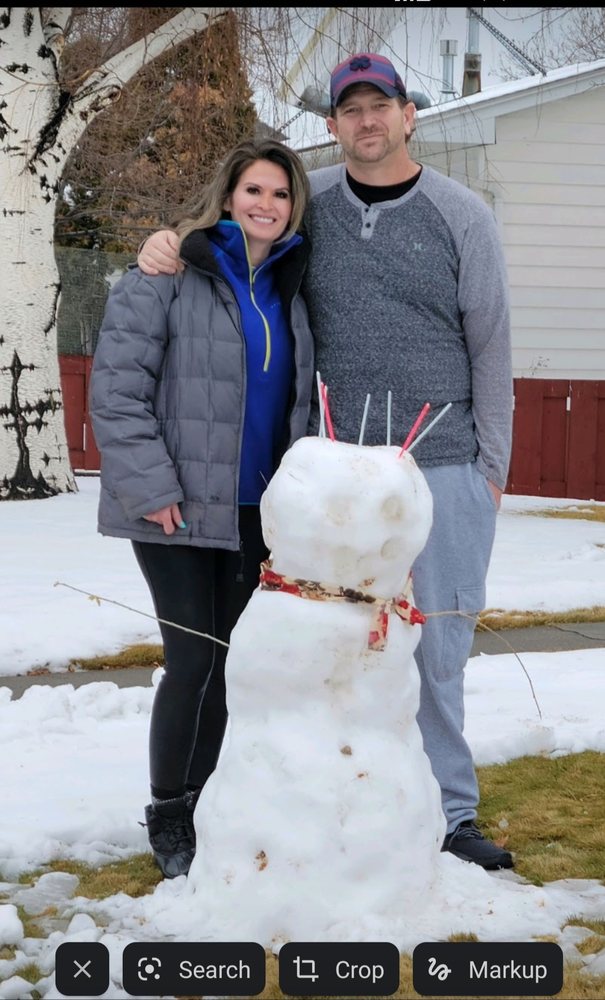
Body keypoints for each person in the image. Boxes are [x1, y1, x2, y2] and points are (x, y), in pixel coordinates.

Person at [137, 54, 514, 871]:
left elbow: (490, 344)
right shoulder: (313, 209)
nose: (365, 121)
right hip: (336, 473)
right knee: (327, 640)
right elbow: (237, 245)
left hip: (442, 465)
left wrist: (490, 470)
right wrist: (165, 242)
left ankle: (449, 813)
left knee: (437, 647)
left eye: (380, 106)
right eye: (350, 110)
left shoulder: (461, 215)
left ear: (408, 115)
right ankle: (338, 797)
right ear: (334, 124)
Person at [90, 138, 314, 879]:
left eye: (280, 195)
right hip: (177, 508)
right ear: (227, 197)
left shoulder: (289, 287)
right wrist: (151, 489)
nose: (266, 205)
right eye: (254, 190)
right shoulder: (166, 274)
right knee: (192, 659)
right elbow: (116, 392)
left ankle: (208, 799)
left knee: (233, 661)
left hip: (255, 511)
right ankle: (168, 812)